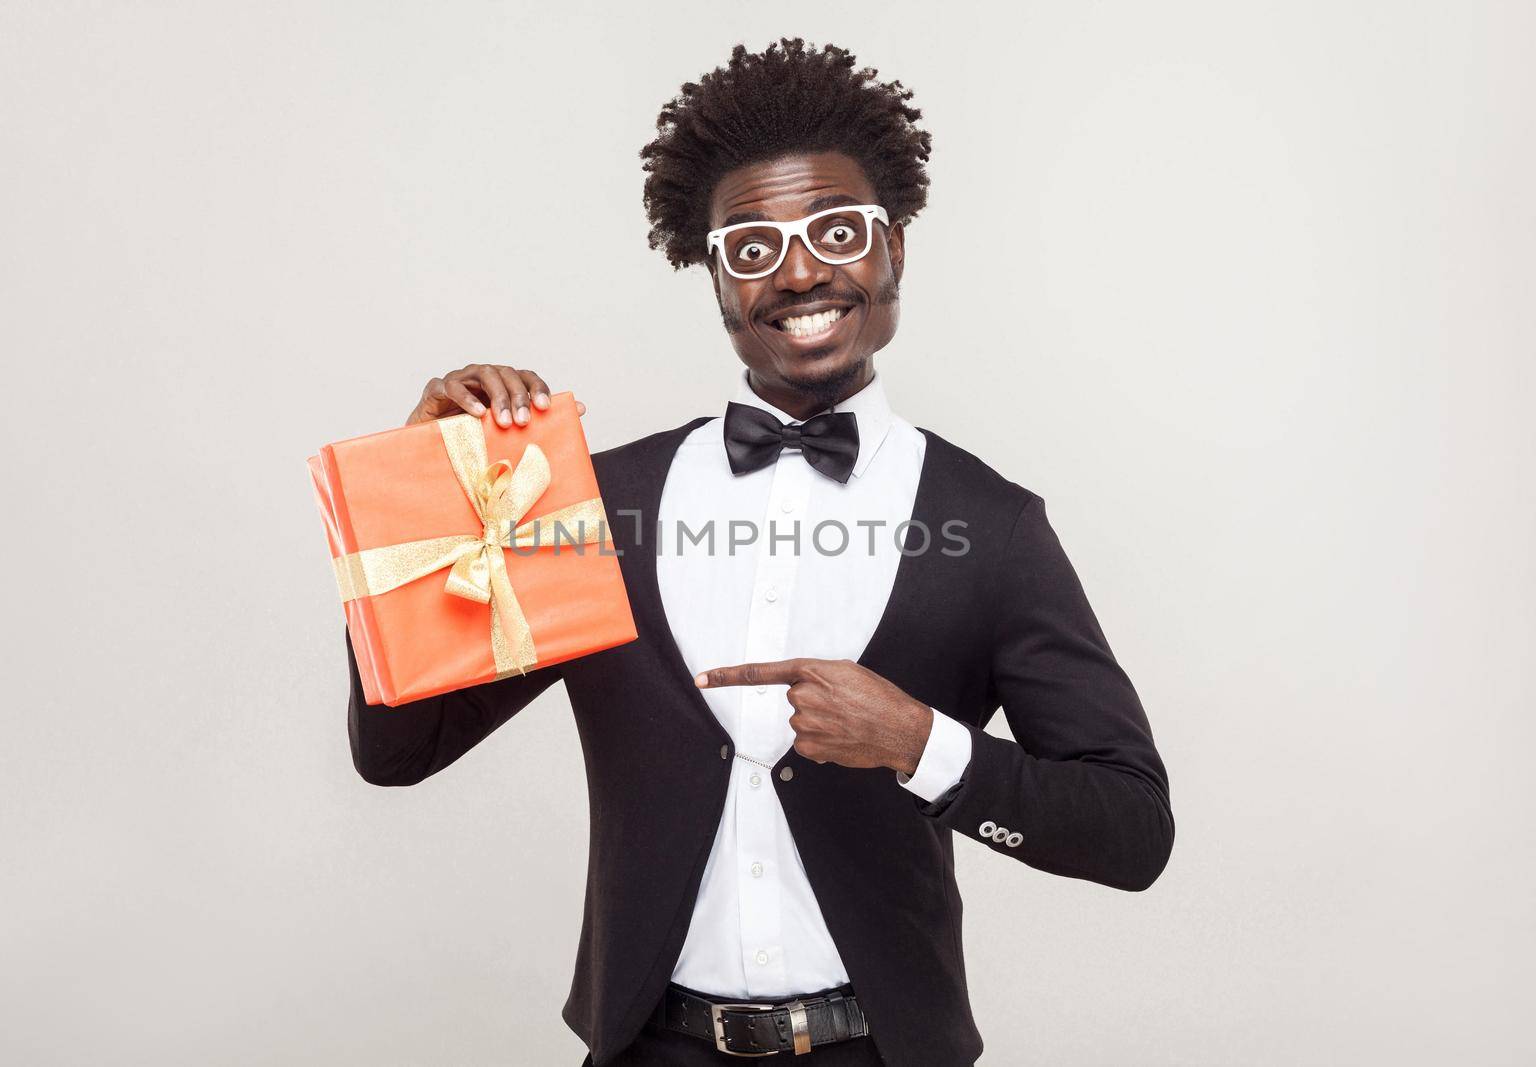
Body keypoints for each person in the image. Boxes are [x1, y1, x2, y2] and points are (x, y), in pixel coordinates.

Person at [349, 39, 1173, 1066]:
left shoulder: (991, 526)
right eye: (751, 246)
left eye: (837, 231)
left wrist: (922, 743)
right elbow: (396, 750)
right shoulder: (602, 503)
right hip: (648, 1047)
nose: (798, 271)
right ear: (713, 277)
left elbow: (1131, 830)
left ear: (894, 249)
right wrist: (424, 496)